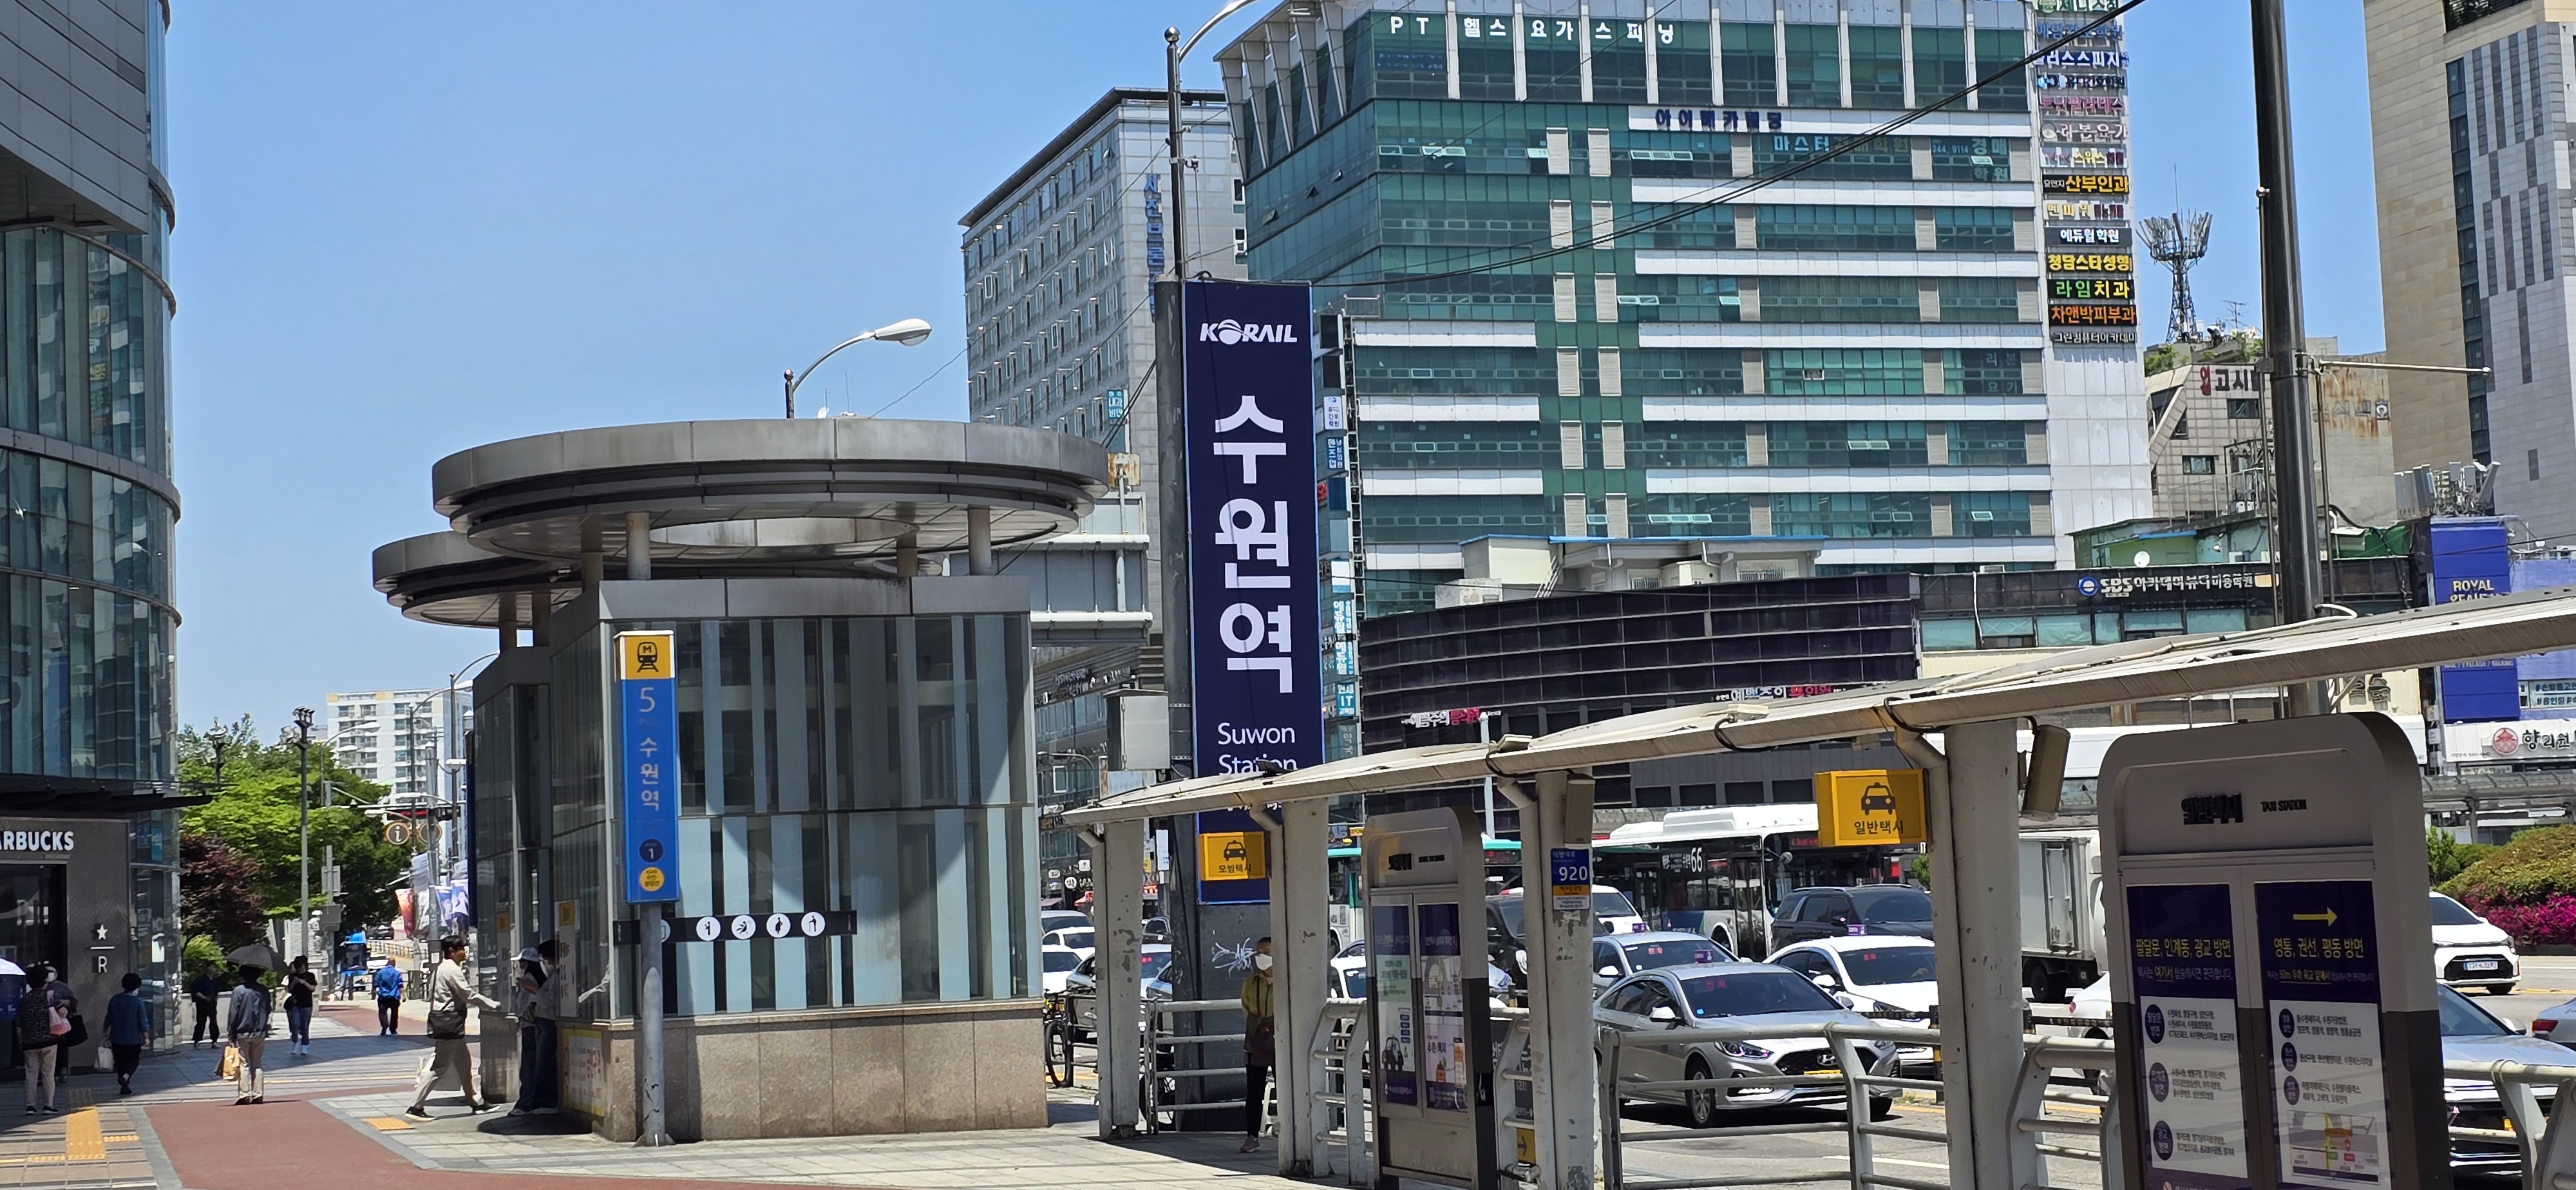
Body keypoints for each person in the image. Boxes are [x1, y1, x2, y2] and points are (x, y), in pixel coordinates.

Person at [407, 935, 500, 1119]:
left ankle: (476, 1102)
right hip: (450, 1025)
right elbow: (468, 994)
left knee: (464, 1065)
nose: (465, 952)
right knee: (439, 1067)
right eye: (462, 949)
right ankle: (415, 1106)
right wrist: (492, 1004)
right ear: (452, 952)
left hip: (451, 1026)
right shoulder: (451, 970)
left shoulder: (442, 968)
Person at [509, 943, 559, 1116]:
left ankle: (532, 1102)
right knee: (537, 1064)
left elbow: (529, 1003)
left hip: (533, 1024)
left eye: (523, 962)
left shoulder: (533, 978)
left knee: (535, 1065)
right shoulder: (546, 976)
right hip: (537, 1023)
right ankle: (536, 1100)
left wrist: (532, 990)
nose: (520, 966)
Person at [1238, 936, 1275, 1153]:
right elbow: (1246, 1007)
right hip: (1256, 1042)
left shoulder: (1287, 980)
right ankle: (1251, 1136)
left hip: (1281, 1042)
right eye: (1259, 952)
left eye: (1267, 952)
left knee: (1288, 1090)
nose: (1261, 957)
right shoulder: (1252, 982)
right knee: (1254, 1093)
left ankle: (1293, 1135)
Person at [16, 963, 66, 1114]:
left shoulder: (24, 1000)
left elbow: (18, 1024)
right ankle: (48, 1105)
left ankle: (30, 1106)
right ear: (45, 980)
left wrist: (21, 1041)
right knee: (48, 1073)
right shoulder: (50, 996)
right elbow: (63, 1012)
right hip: (50, 1040)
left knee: (30, 1074)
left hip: (29, 1042)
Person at [225, 965, 270, 1105]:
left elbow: (233, 1013)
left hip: (242, 1032)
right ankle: (258, 1094)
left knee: (243, 1064)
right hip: (260, 1032)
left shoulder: (239, 991)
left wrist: (231, 1031)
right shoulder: (264, 990)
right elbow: (268, 1009)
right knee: (257, 1064)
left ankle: (244, 1094)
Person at [105, 973, 150, 1096]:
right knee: (134, 1061)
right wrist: (146, 1036)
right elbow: (143, 1021)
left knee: (120, 1062)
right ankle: (125, 1077)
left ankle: (124, 1086)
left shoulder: (115, 999)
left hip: (116, 1037)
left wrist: (105, 1031)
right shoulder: (138, 1002)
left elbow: (109, 1018)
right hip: (133, 1038)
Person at [283, 956, 317, 1057]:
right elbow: (289, 989)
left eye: (301, 966)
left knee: (305, 1026)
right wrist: (294, 982)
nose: (300, 969)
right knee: (295, 1024)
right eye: (298, 967)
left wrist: (303, 982)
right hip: (295, 1004)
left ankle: (304, 1045)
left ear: (305, 966)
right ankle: (295, 1042)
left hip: (307, 1004)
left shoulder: (310, 976)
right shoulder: (293, 976)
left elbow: (313, 988)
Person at [187, 968, 223, 1047]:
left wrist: (214, 998)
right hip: (202, 1004)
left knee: (213, 1022)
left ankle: (214, 1040)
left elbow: (217, 992)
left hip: (212, 1004)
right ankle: (197, 1040)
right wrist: (205, 998)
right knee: (201, 1022)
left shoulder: (215, 981)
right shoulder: (200, 980)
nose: (213, 970)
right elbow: (196, 992)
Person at [372, 962, 405, 1035]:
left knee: (382, 1012)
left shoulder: (381, 973)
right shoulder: (397, 973)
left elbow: (376, 983)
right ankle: (393, 1029)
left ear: (387, 963)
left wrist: (376, 991)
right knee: (394, 1013)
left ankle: (384, 1025)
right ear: (394, 964)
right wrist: (404, 996)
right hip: (394, 996)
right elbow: (400, 985)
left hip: (383, 996)